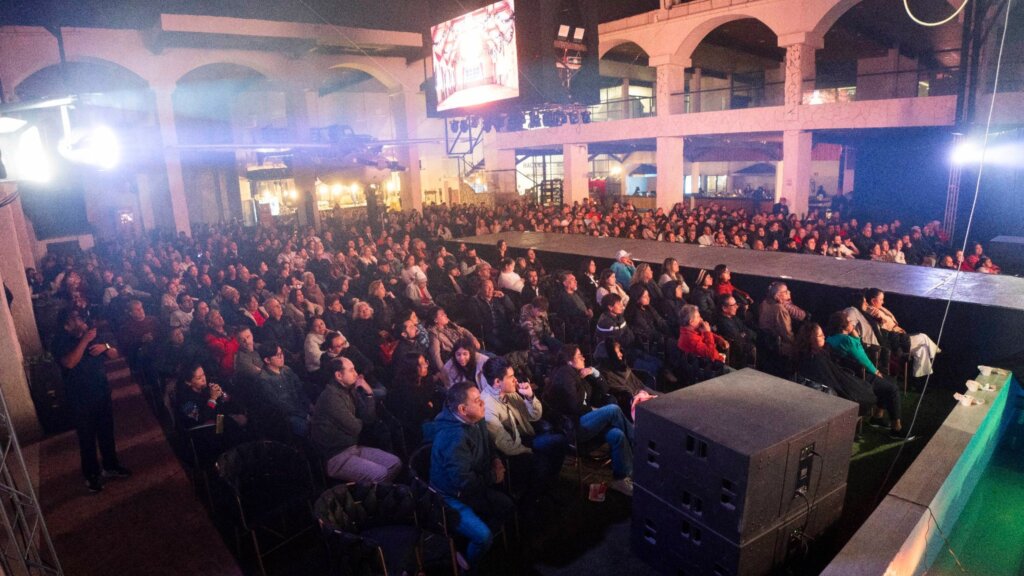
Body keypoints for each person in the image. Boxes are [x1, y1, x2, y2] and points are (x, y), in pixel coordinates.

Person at [425, 382, 515, 569]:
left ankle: (469, 542)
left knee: (507, 506)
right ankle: (467, 564)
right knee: (483, 536)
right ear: (462, 409)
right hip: (449, 497)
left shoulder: (476, 419)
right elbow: (463, 482)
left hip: (472, 485)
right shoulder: (453, 437)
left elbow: (488, 445)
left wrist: (495, 460)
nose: (483, 403)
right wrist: (493, 476)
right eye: (477, 401)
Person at [53, 309, 131, 493]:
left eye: (81, 317)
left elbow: (114, 354)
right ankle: (92, 475)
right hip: (80, 398)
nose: (81, 321)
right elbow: (70, 362)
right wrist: (84, 341)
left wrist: (105, 346)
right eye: (76, 318)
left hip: (101, 393)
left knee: (106, 433)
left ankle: (111, 466)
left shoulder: (92, 335)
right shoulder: (60, 341)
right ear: (67, 324)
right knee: (87, 438)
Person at [794, 321, 912, 440]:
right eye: (820, 335)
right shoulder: (838, 346)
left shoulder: (822, 347)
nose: (824, 336)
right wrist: (875, 373)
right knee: (890, 388)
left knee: (885, 386)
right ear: (811, 340)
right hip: (849, 381)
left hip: (847, 377)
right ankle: (896, 429)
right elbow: (862, 359)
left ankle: (877, 418)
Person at [544, 345, 634, 496]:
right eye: (579, 356)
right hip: (575, 427)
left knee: (617, 434)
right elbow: (574, 406)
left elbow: (604, 390)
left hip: (587, 422)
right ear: (569, 361)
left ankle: (621, 478)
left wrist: (594, 373)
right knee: (613, 409)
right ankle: (638, 441)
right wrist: (594, 410)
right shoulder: (564, 375)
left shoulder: (579, 374)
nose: (584, 358)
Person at [480, 357, 566, 497]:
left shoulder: (510, 393)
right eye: (511, 377)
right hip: (511, 450)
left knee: (560, 440)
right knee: (542, 461)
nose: (515, 380)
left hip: (525, 438)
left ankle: (549, 483)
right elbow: (504, 444)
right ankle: (533, 497)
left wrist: (530, 397)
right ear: (497, 382)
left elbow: (534, 416)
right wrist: (529, 451)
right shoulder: (488, 406)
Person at [311, 357, 403, 483]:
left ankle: (372, 490)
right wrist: (361, 420)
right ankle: (370, 493)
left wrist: (369, 394)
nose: (356, 374)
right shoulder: (331, 397)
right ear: (338, 375)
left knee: (395, 463)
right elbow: (356, 428)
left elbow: (368, 419)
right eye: (351, 370)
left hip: (353, 447)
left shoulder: (350, 390)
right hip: (336, 456)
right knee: (381, 474)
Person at [256, 342, 313, 438]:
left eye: (282, 353)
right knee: (308, 428)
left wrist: (309, 405)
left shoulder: (286, 370)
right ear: (267, 360)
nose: (282, 357)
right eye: (278, 355)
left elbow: (299, 389)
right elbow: (280, 405)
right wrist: (304, 415)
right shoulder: (264, 380)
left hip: (300, 408)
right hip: (287, 416)